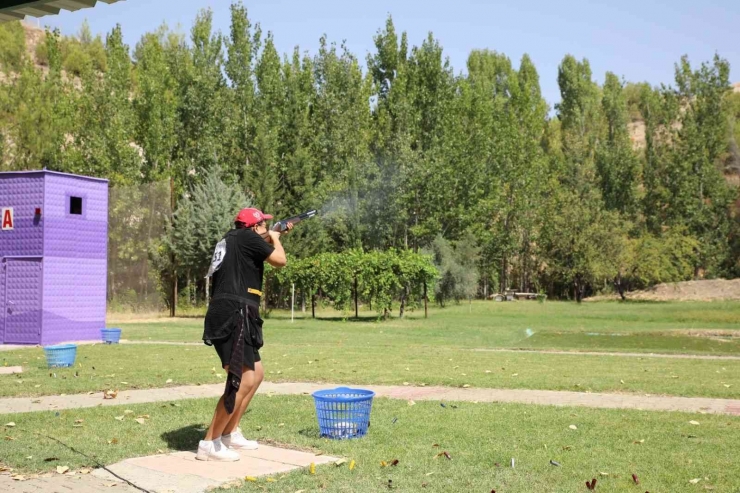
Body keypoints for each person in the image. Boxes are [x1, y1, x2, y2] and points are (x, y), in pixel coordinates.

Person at [196, 207, 291, 462]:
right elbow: (280, 261)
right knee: (242, 379)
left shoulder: (232, 239)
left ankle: (229, 433)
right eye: (263, 226)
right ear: (255, 227)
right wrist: (277, 238)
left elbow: (250, 254)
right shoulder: (247, 237)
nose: (266, 229)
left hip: (237, 312)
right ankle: (209, 443)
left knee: (256, 375)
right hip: (233, 313)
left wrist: (269, 236)